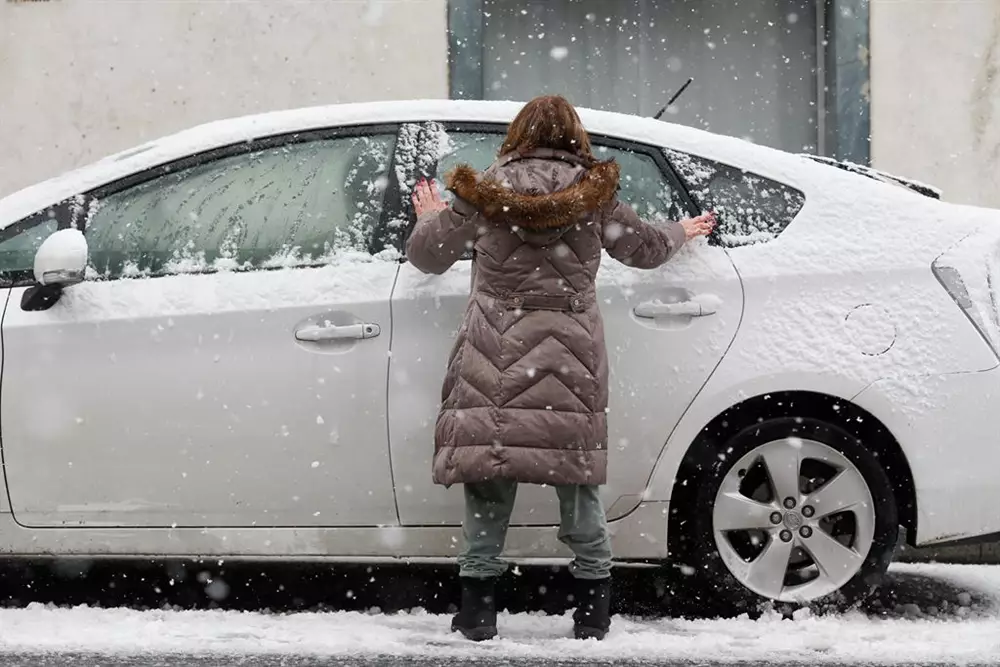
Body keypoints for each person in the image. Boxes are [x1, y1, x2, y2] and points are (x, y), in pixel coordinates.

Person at [405, 95, 715, 642]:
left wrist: (431, 215)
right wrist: (680, 232)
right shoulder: (595, 195)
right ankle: (593, 611)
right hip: (571, 355)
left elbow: (428, 256)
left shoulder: (482, 192)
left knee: (489, 478)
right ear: (576, 138)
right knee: (577, 479)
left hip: (494, 353)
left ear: (517, 135)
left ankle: (477, 611)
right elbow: (642, 248)